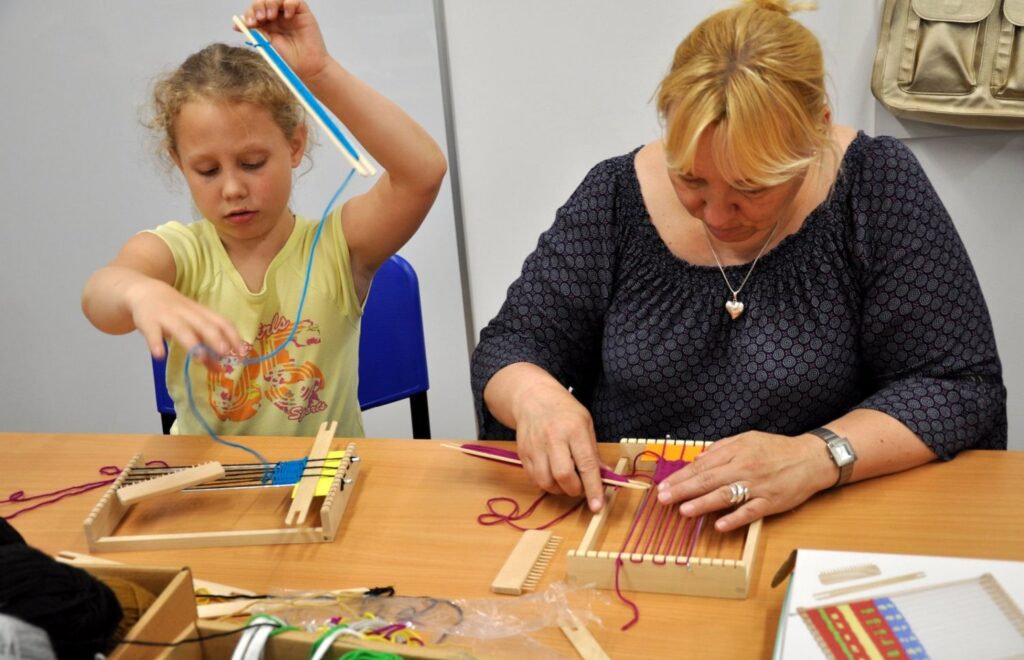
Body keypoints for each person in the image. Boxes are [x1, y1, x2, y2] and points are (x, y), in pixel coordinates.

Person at [470, 0, 1006, 531]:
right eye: (692, 180)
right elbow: (512, 345)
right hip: (636, 522)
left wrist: (818, 457)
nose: (717, 215)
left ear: (817, 131)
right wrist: (536, 397)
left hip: (826, 522)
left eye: (751, 187)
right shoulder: (615, 195)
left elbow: (956, 384)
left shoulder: (873, 186)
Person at [82, 0, 446, 437]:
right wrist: (139, 293)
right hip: (210, 489)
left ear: (295, 146)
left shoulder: (338, 248)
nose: (233, 188)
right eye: (208, 171)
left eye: (252, 162)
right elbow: (101, 296)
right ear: (179, 163)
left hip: (322, 487)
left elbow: (422, 172)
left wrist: (319, 73)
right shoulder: (178, 253)